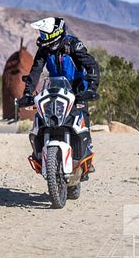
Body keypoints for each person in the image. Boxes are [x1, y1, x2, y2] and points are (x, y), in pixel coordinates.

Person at [18, 16, 100, 173]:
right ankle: (39, 153)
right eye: (41, 34)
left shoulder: (73, 45)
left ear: (56, 33)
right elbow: (35, 71)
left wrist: (91, 87)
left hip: (76, 90)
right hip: (55, 88)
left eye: (45, 34)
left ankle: (86, 152)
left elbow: (91, 65)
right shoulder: (44, 49)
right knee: (43, 116)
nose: (42, 37)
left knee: (81, 117)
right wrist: (27, 92)